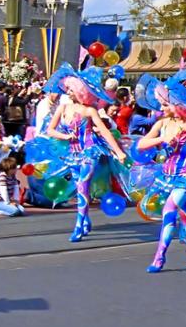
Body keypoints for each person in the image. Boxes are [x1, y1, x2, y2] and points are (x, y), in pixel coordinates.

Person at [29, 64, 126, 242]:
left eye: (70, 89)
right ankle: (86, 218)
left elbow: (104, 131)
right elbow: (50, 130)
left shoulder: (89, 111)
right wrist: (64, 136)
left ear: (80, 91)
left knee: (82, 186)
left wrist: (118, 151)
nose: (67, 92)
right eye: (67, 89)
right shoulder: (62, 108)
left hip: (89, 152)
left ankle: (79, 225)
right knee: (82, 189)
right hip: (72, 153)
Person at [129, 73, 186, 272]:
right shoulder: (162, 123)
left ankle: (159, 257)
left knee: (169, 211)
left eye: (165, 104)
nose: (161, 109)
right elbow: (141, 144)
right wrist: (162, 140)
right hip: (167, 174)